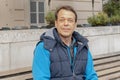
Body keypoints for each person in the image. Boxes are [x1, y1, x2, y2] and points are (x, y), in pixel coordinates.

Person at [32, 5, 98, 80]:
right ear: (56, 23)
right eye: (62, 20)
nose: (66, 23)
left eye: (70, 20)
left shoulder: (82, 47)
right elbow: (41, 78)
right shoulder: (44, 47)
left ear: (75, 25)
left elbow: (91, 76)